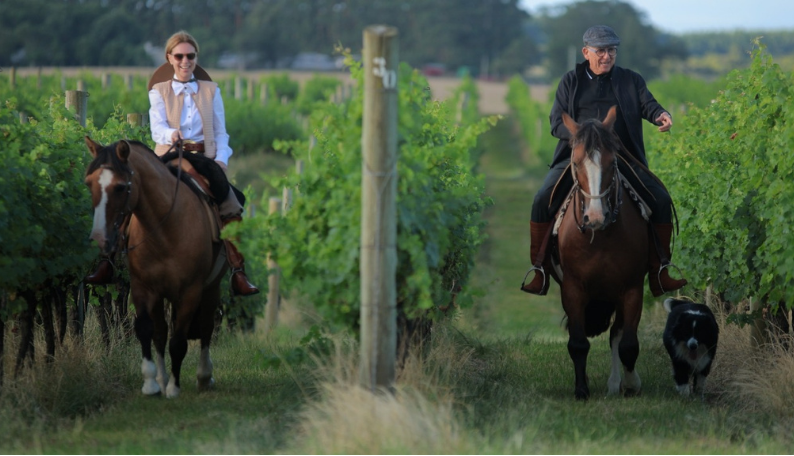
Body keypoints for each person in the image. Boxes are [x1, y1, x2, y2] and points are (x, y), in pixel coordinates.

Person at [85, 30, 259, 297]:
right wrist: (171, 134)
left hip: (204, 159)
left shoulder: (212, 91)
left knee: (231, 202)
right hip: (169, 155)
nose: (185, 61)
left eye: (190, 56)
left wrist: (222, 160)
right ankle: (107, 261)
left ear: (196, 57)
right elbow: (157, 129)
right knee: (131, 195)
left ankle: (238, 271)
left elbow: (222, 131)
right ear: (169, 58)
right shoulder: (159, 91)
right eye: (179, 56)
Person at [521, 25, 687, 297]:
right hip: (578, 158)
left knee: (660, 199)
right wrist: (580, 138)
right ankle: (539, 269)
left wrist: (662, 114)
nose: (606, 56)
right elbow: (555, 123)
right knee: (541, 199)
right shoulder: (570, 81)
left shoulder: (631, 80)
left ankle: (660, 270)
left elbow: (649, 105)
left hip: (621, 157)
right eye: (600, 51)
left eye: (611, 50)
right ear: (586, 52)